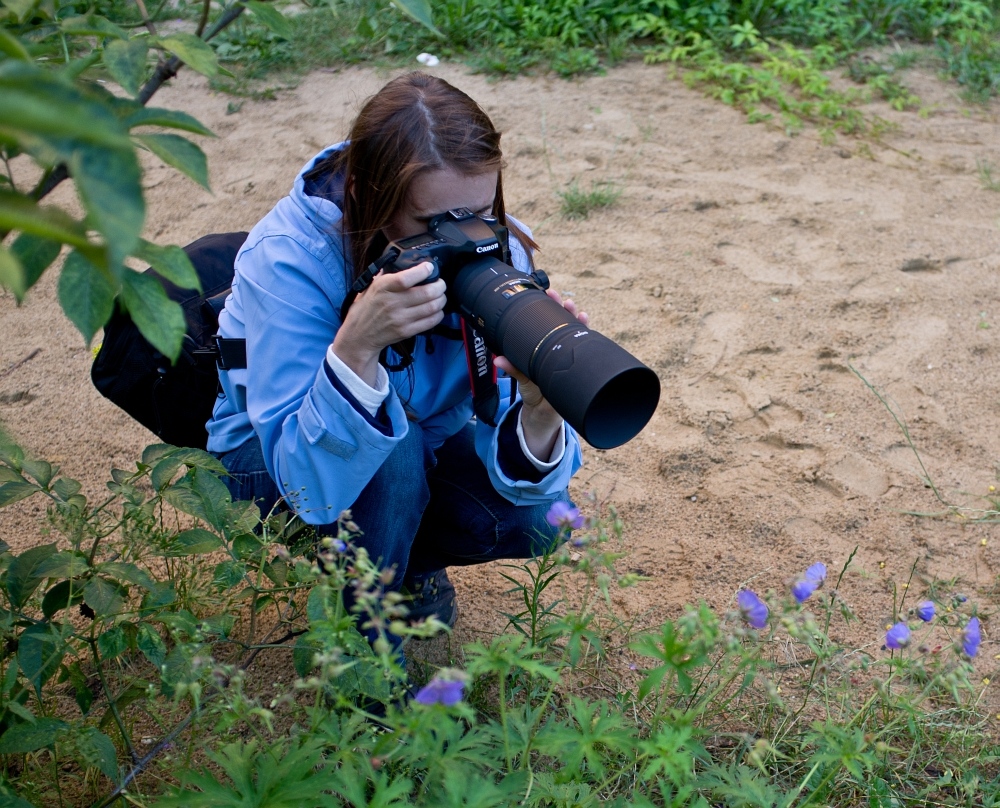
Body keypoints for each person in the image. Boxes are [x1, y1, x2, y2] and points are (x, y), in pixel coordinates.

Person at [206, 72, 585, 631]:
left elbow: (519, 474)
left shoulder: (505, 250)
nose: (466, 238)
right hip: (269, 460)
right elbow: (305, 485)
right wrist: (356, 348)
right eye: (434, 223)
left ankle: (407, 563)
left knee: (542, 518)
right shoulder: (287, 258)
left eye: (479, 210)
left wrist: (541, 407)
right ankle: (369, 672)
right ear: (365, 193)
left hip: (422, 441)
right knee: (393, 453)